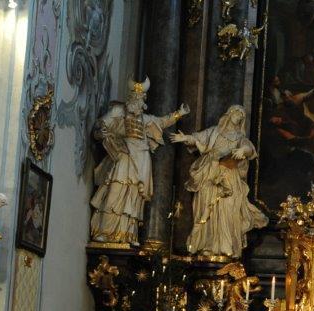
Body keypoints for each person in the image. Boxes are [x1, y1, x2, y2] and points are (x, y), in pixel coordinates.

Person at [89, 78, 189, 245]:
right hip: (124, 154)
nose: (137, 100)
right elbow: (101, 125)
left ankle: (127, 234)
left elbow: (162, 121)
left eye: (140, 97)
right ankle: (104, 231)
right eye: (135, 96)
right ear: (130, 98)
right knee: (116, 189)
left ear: (143, 101)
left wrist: (179, 113)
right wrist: (102, 132)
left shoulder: (145, 119)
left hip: (142, 158)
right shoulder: (118, 111)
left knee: (134, 195)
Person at [171, 105, 268, 259]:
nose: (239, 116)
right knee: (205, 207)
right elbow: (197, 138)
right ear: (229, 114)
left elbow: (249, 149)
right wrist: (185, 138)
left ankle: (225, 247)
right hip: (209, 173)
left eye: (242, 115)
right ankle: (206, 246)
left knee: (228, 209)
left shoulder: (240, 138)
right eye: (237, 112)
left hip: (229, 176)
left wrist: (242, 151)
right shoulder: (214, 131)